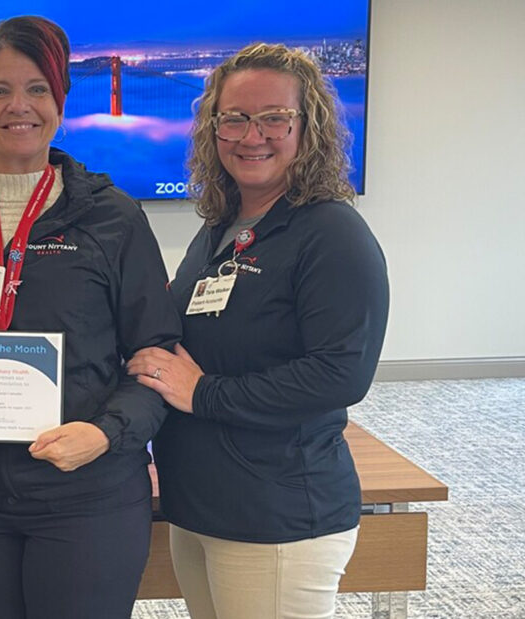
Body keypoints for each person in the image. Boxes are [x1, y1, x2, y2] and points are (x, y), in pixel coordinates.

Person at [0, 16, 181, 619]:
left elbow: (156, 357)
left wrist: (105, 433)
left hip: (91, 492)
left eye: (37, 89)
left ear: (60, 104)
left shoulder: (113, 219)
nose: (17, 106)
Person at [126, 43, 389, 619]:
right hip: (201, 505)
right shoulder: (224, 225)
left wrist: (203, 393)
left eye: (275, 118)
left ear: (307, 127)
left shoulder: (331, 234)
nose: (252, 136)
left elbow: (339, 374)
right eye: (235, 118)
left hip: (276, 516)